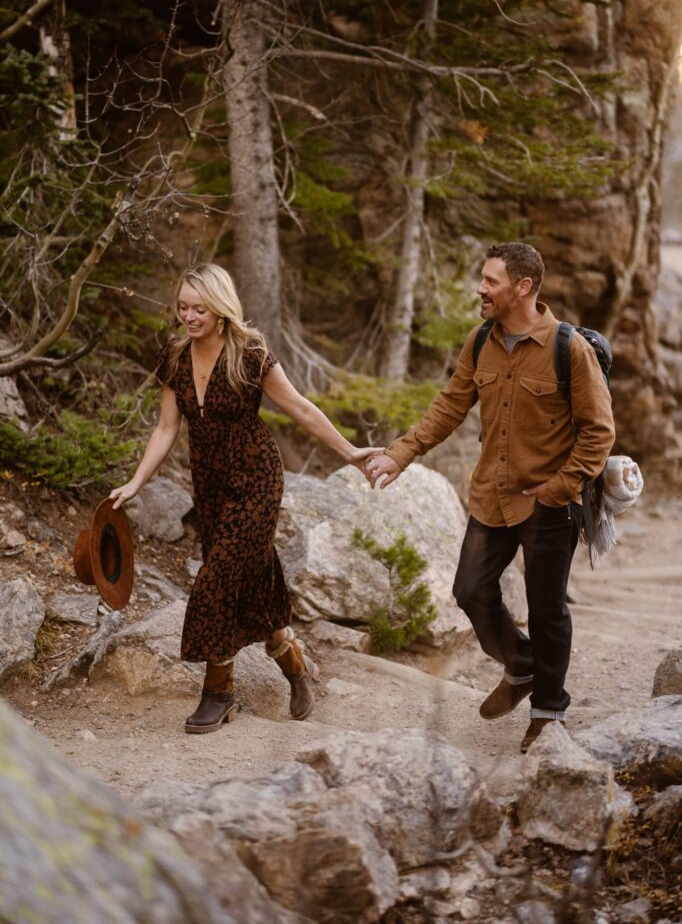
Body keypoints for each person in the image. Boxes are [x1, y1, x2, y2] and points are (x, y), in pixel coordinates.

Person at [365, 243, 615, 753]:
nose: (480, 289)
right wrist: (401, 453)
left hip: (548, 503)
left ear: (522, 287)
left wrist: (559, 488)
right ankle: (520, 664)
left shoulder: (570, 349)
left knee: (547, 609)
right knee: (469, 589)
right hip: (491, 496)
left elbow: (599, 431)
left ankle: (548, 709)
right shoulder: (481, 341)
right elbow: (450, 406)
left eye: (490, 281)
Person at [110, 263, 381, 734]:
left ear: (220, 309)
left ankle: (219, 693)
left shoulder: (249, 353)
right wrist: (135, 482)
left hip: (257, 478)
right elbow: (166, 428)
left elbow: (297, 407)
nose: (190, 317)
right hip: (210, 486)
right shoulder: (175, 358)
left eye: (200, 309)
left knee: (216, 579)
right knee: (251, 577)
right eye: (183, 308)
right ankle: (293, 663)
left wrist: (350, 451)